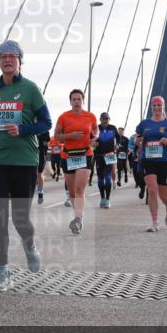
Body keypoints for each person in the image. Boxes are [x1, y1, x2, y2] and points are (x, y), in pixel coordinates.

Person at [0, 40, 51, 292]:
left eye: (12, 57)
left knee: (20, 217)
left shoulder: (30, 89)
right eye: (3, 56)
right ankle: (3, 272)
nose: (7, 60)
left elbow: (46, 122)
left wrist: (24, 129)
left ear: (19, 62)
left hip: (24, 161)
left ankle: (30, 245)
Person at [135, 96, 167, 231]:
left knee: (164, 195)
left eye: (159, 105)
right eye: (154, 106)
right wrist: (138, 141)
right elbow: (137, 138)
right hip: (148, 160)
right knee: (152, 189)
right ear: (151, 107)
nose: (156, 108)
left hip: (165, 161)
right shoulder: (144, 124)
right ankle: (154, 222)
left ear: (163, 107)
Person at [55, 90, 98, 234]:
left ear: (83, 101)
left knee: (80, 189)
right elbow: (57, 136)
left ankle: (78, 219)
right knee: (72, 192)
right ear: (70, 101)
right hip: (68, 156)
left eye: (79, 99)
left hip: (85, 154)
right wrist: (70, 135)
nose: (76, 102)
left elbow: (96, 130)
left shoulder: (90, 116)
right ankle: (78, 215)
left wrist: (94, 137)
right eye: (73, 99)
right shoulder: (63, 117)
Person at [94, 113, 118, 209]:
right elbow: (91, 139)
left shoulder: (113, 128)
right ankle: (102, 198)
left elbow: (118, 139)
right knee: (100, 178)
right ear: (100, 119)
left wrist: (118, 145)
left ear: (109, 119)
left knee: (108, 177)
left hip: (110, 155)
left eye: (107, 119)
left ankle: (108, 199)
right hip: (99, 155)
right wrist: (93, 144)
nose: (105, 120)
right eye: (103, 119)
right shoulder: (96, 128)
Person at [36, 130, 50, 204]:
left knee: (39, 173)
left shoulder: (42, 126)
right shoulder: (26, 124)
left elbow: (47, 138)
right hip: (27, 153)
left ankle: (40, 192)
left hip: (40, 154)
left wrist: (38, 134)